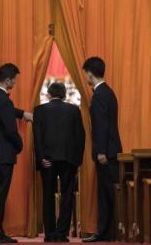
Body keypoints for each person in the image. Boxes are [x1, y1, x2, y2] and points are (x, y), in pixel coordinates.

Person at [0, 63, 33, 243]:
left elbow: (5, 111)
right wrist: (20, 145)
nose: (15, 83)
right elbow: (11, 130)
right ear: (8, 80)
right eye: (15, 80)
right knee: (1, 194)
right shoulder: (5, 101)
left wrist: (22, 114)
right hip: (6, 153)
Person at [33, 82, 85, 243]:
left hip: (47, 159)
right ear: (64, 95)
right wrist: (77, 160)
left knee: (47, 195)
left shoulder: (39, 110)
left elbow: (37, 137)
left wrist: (41, 158)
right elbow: (80, 137)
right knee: (67, 195)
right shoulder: (74, 110)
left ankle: (49, 233)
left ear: (49, 94)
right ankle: (62, 233)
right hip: (68, 160)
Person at [81, 57, 123, 243]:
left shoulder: (99, 96)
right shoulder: (109, 92)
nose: (85, 77)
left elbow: (101, 126)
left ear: (90, 73)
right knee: (108, 192)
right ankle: (108, 231)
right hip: (113, 150)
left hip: (106, 152)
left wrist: (101, 151)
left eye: (85, 74)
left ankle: (103, 232)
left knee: (105, 194)